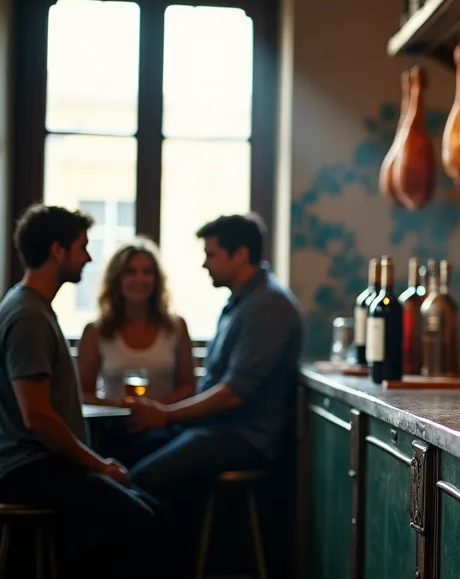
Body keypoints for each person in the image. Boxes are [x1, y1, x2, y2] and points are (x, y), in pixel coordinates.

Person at [118, 212, 303, 568]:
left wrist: (166, 414)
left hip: (244, 437)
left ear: (241, 254)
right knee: (128, 452)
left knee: (140, 480)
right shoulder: (241, 302)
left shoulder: (268, 306)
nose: (205, 264)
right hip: (219, 430)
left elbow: (233, 393)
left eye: (212, 254)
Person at [0, 203, 162, 576]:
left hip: (41, 464)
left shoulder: (33, 308)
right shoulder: (28, 316)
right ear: (58, 251)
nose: (88, 258)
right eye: (82, 247)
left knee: (150, 510)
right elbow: (37, 416)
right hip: (26, 468)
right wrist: (97, 465)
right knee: (143, 519)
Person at [77, 237, 195, 406]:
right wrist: (120, 405)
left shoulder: (176, 327)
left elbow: (188, 388)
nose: (139, 279)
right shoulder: (96, 331)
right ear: (117, 279)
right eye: (130, 272)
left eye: (147, 272)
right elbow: (83, 393)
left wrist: (157, 410)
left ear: (157, 280)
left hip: (165, 426)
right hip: (114, 423)